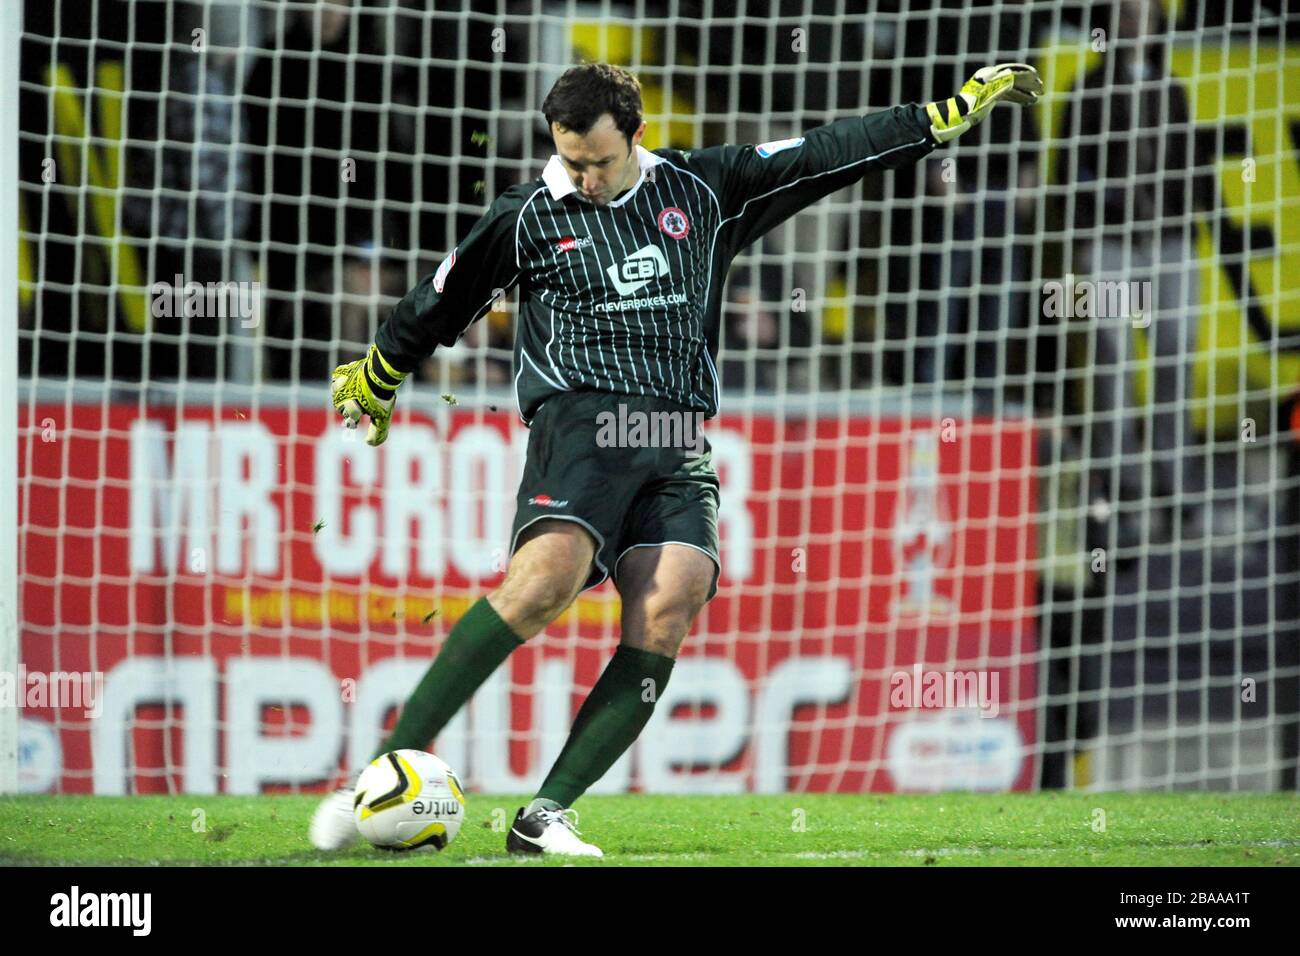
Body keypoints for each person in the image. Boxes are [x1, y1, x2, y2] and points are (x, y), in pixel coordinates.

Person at [312, 61, 1042, 857]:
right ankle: (372, 781)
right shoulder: (528, 214)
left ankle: (545, 813)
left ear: (637, 136)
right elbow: (445, 294)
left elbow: (824, 153)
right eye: (569, 159)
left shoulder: (704, 190)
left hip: (678, 435)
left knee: (673, 599)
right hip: (584, 422)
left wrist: (934, 121)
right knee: (544, 582)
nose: (582, 177)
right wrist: (382, 369)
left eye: (597, 160)